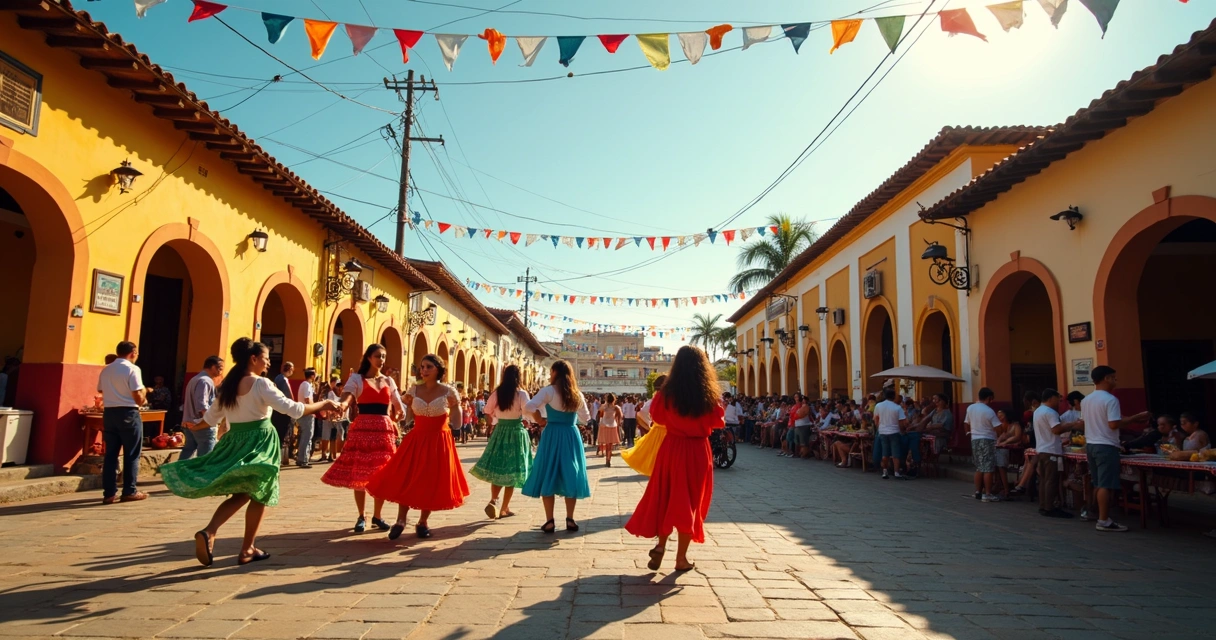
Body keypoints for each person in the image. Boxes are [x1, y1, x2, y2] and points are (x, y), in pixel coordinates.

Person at [162, 338, 338, 566]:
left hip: (234, 441)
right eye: (265, 359)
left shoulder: (228, 386)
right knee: (260, 493)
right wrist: (323, 404)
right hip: (260, 442)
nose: (268, 363)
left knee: (243, 493)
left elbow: (211, 418)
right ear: (253, 359)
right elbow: (293, 409)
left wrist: (195, 427)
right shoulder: (261, 384)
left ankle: (211, 531)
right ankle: (246, 548)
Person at [625, 346, 724, 572]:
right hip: (697, 450)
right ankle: (681, 558)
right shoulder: (708, 394)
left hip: (671, 448)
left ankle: (661, 545)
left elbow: (657, 417)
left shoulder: (666, 393)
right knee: (690, 502)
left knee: (666, 496)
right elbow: (718, 422)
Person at [366, 353, 470, 540]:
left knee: (430, 480)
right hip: (416, 439)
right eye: (422, 367)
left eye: (429, 367)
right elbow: (407, 412)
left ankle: (423, 522)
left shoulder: (448, 391)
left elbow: (456, 414)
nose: (424, 370)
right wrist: (404, 422)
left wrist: (456, 425)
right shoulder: (414, 390)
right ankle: (400, 520)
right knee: (407, 477)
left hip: (439, 440)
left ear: (438, 369)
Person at [321, 345, 403, 534]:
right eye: (377, 356)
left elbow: (397, 403)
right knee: (360, 472)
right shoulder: (357, 378)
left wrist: (399, 414)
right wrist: (342, 406)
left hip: (383, 430)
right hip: (363, 428)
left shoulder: (388, 380)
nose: (381, 360)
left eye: (383, 356)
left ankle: (377, 516)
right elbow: (348, 396)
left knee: (381, 473)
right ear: (368, 358)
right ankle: (361, 515)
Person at [522, 360, 591, 533]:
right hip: (570, 435)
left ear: (554, 372)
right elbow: (585, 417)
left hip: (552, 434)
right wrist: (571, 418)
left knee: (548, 473)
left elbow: (529, 406)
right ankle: (570, 519)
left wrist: (539, 419)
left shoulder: (548, 391)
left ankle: (550, 520)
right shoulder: (577, 394)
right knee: (571, 473)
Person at [1082, 366, 1150, 532]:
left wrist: (1131, 419)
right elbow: (1113, 424)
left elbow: (1092, 420)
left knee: (1097, 482)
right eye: (1113, 377)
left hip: (1091, 444)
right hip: (1106, 445)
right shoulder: (1111, 399)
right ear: (1106, 378)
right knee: (1105, 484)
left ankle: (1092, 512)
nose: (1116, 381)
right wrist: (1134, 418)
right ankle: (1103, 520)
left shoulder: (1086, 400)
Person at [470, 365, 533, 520]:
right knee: (512, 471)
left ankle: (494, 500)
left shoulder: (497, 393)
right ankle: (504, 508)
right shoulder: (521, 393)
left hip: (500, 431)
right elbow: (528, 410)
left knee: (499, 469)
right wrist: (526, 419)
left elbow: (487, 411)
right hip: (516, 432)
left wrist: (494, 422)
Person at [97, 341, 149, 504]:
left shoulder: (106, 369)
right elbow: (138, 396)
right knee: (132, 453)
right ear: (133, 352)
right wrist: (144, 394)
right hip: (128, 412)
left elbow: (100, 389)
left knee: (111, 454)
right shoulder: (132, 369)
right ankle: (129, 490)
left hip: (110, 413)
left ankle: (109, 493)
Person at [1033, 389, 1082, 518]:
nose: (1059, 402)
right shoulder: (1051, 412)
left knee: (1044, 480)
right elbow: (1056, 430)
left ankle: (1044, 505)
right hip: (1051, 451)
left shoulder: (1038, 411)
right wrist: (1073, 424)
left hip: (1042, 449)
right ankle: (1050, 507)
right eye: (1057, 398)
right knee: (1051, 480)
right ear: (1051, 398)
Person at [180, 356, 225, 461]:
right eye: (220, 368)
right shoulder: (205, 381)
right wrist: (209, 421)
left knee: (188, 452)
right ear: (213, 367)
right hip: (202, 425)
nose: (221, 372)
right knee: (205, 458)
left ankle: (178, 470)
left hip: (189, 422)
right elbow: (201, 405)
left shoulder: (195, 379)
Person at [621, 375, 668, 476]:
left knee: (656, 465)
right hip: (668, 435)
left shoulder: (653, 401)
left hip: (655, 434)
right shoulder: (672, 400)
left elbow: (640, 414)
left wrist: (649, 425)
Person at [965, 387, 1001, 502]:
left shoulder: (970, 408)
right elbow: (998, 428)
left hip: (975, 439)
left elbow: (966, 422)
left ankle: (978, 491)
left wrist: (968, 433)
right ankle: (988, 493)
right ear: (989, 398)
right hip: (987, 439)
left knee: (979, 467)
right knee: (988, 468)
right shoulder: (989, 411)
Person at [874, 389, 908, 480]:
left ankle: (885, 471)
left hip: (882, 431)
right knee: (895, 453)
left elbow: (876, 419)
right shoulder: (897, 407)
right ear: (893, 396)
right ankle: (896, 472)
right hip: (894, 431)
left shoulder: (878, 406)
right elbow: (902, 422)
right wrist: (902, 431)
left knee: (885, 453)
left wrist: (879, 427)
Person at [271, 362, 295, 465]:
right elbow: (287, 397)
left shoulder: (278, 378)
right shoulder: (283, 380)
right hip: (282, 412)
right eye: (292, 369)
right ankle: (278, 458)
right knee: (282, 434)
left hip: (278, 411)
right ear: (289, 369)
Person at [319, 375, 346, 462]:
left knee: (333, 436)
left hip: (335, 417)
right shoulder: (329, 391)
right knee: (328, 435)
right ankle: (326, 454)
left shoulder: (337, 392)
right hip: (330, 417)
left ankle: (332, 454)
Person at [295, 369, 318, 468]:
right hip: (307, 412)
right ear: (312, 376)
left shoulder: (303, 384)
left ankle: (301, 458)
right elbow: (307, 399)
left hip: (302, 412)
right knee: (307, 436)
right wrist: (313, 409)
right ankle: (303, 460)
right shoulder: (307, 385)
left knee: (304, 436)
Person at [597, 393, 623, 466]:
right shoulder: (616, 407)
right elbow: (620, 415)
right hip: (612, 425)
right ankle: (608, 459)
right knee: (610, 445)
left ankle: (607, 460)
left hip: (604, 425)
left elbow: (599, 413)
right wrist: (617, 421)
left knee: (606, 443)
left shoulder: (604, 406)